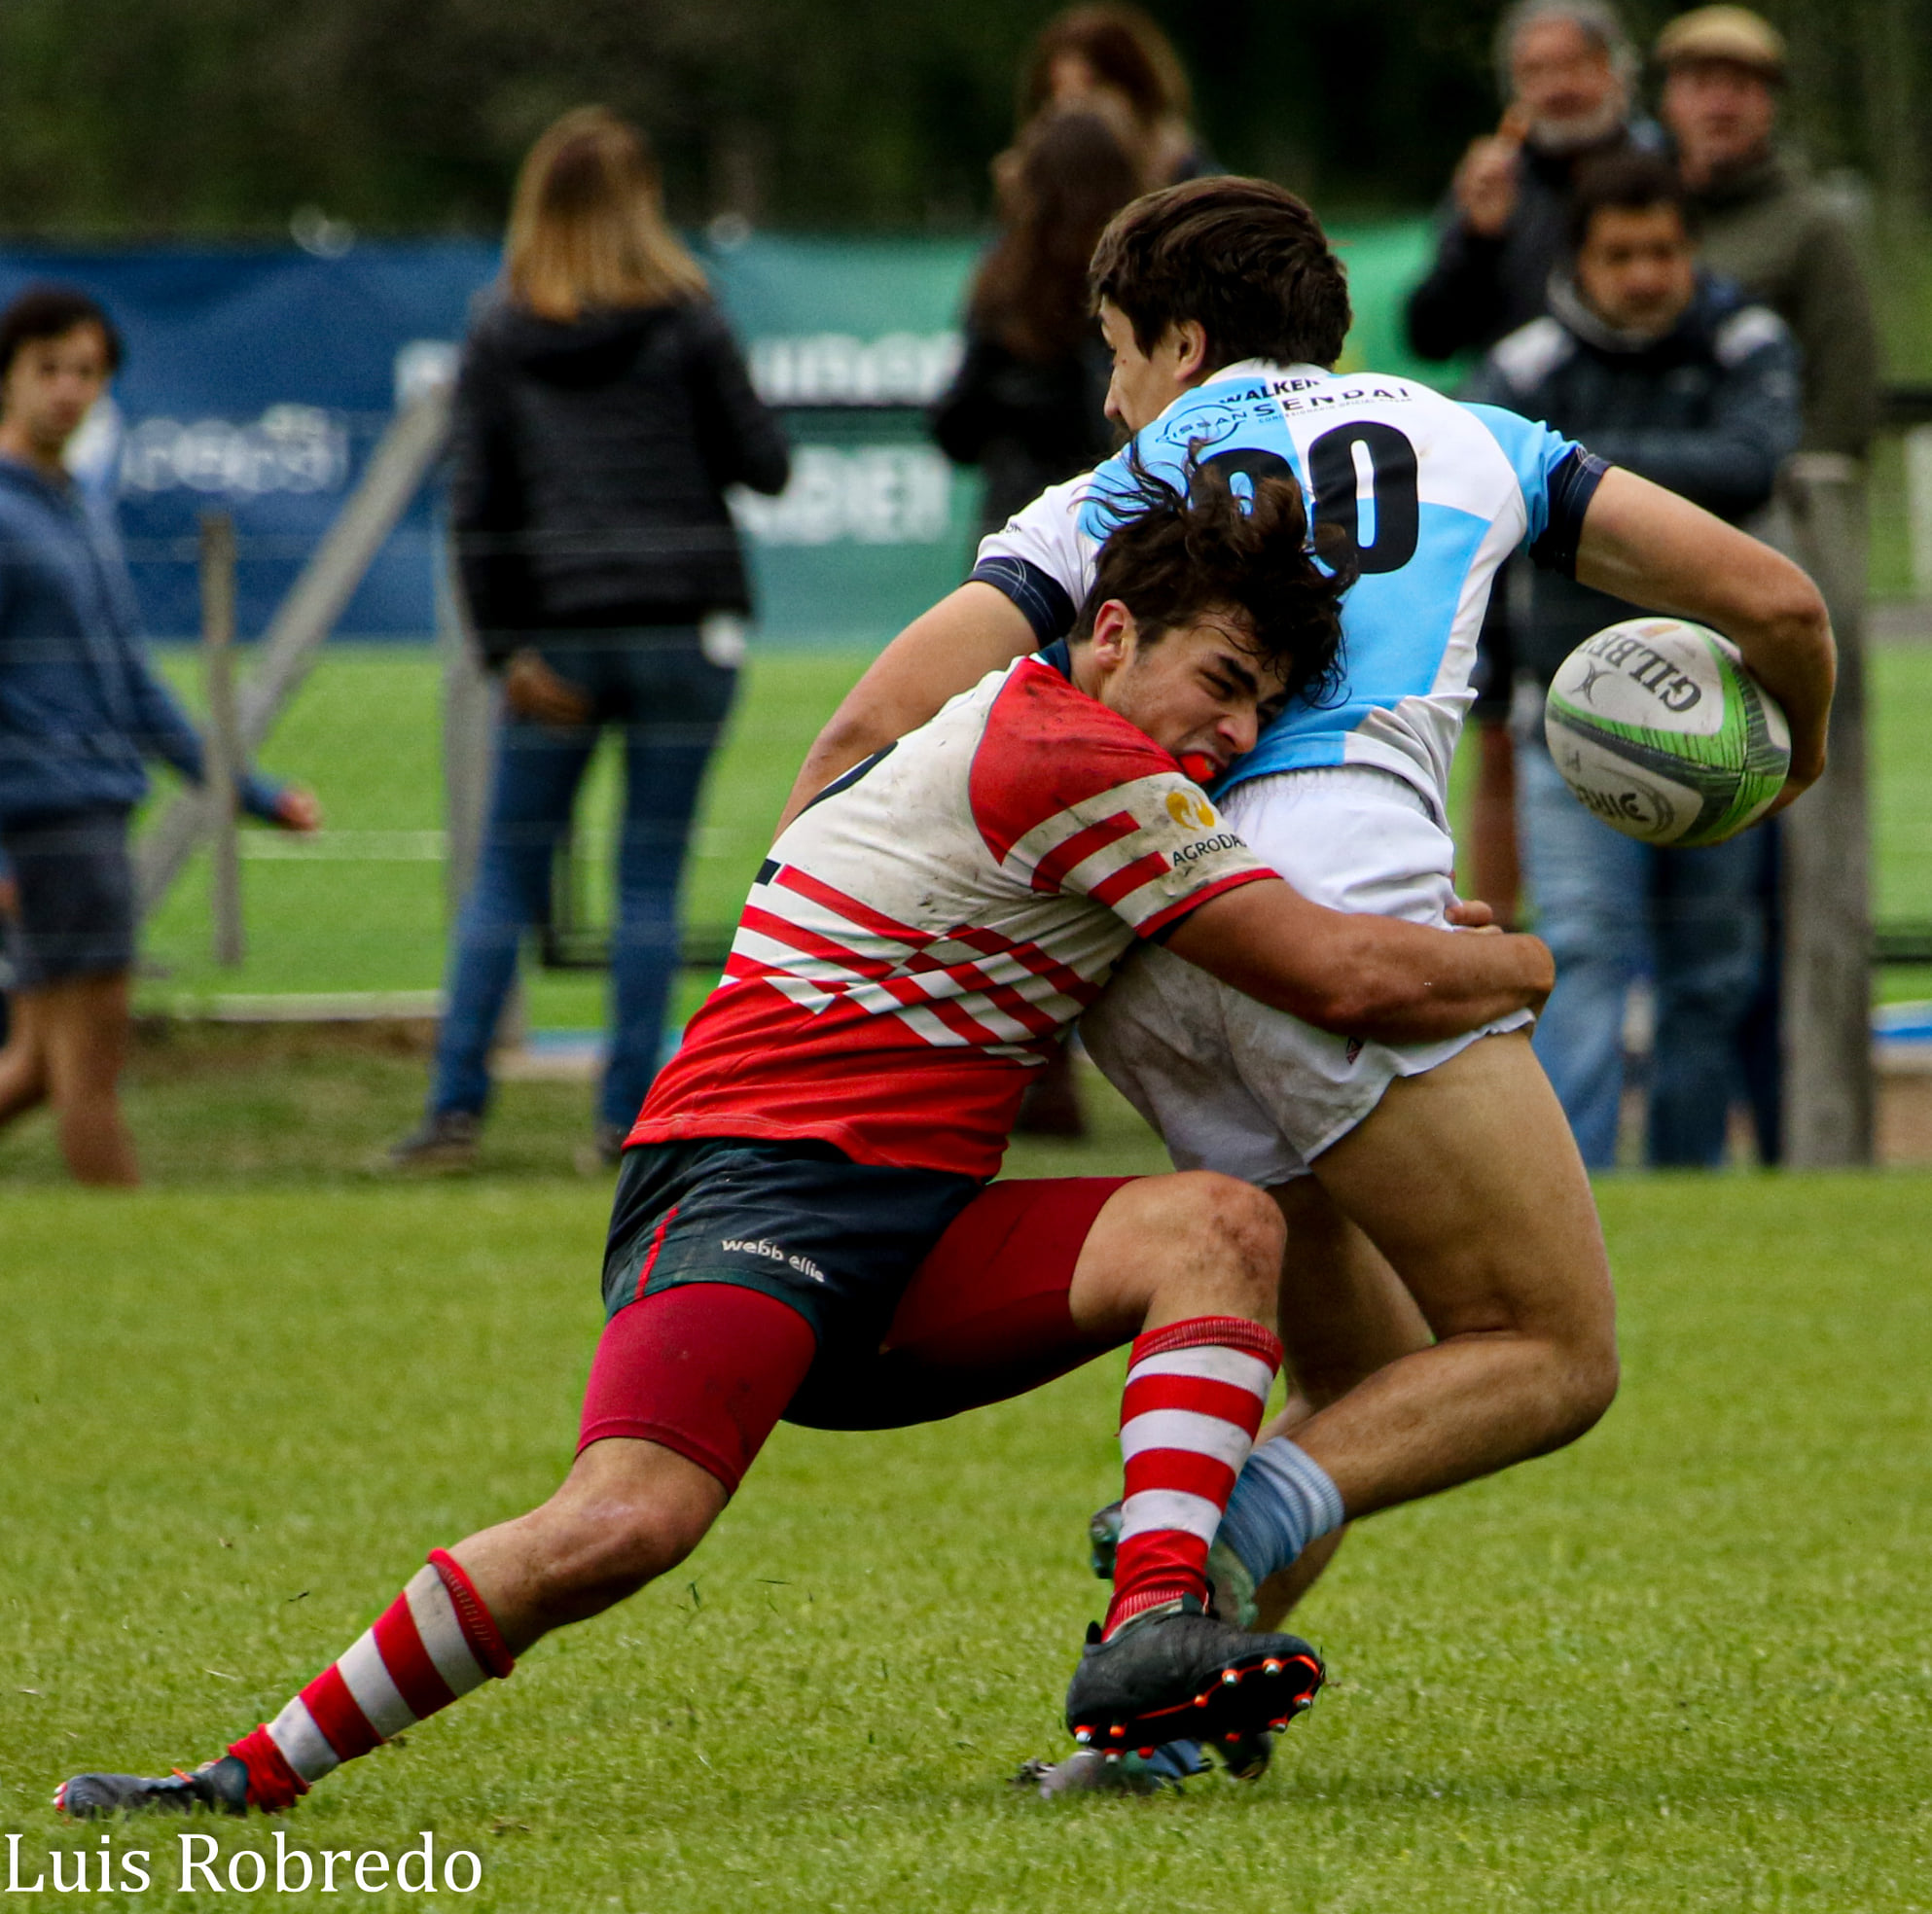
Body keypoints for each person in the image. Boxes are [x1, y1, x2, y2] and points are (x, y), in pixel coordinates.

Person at [57, 465, 1559, 1818]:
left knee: (1220, 1227)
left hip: (909, 1233)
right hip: (743, 1189)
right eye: (1222, 682)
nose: (1232, 734)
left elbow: (1305, 947)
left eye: (1258, 711)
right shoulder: (1062, 755)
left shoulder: (1081, 761)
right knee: (626, 1524)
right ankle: (241, 1776)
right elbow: (1338, 975)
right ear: (1110, 633)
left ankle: (1150, 1634)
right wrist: (1519, 966)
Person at [784, 175, 1834, 1790]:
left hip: (1152, 936)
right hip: (1337, 887)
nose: (1111, 388)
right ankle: (1205, 1527)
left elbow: (859, 742)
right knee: (1550, 1351)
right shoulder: (1484, 436)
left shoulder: (1115, 484)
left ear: (1184, 339)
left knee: (1358, 1385)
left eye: (1116, 349)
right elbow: (1777, 603)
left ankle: (1153, 1735)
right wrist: (1795, 751)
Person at [387, 106, 790, 1173]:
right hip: (683, 628)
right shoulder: (690, 318)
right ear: (642, 205)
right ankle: (625, 1123)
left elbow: (475, 505)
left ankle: (452, 1113)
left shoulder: (498, 328)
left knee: (505, 880)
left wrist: (504, 650)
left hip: (557, 640)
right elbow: (767, 463)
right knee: (648, 882)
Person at [1462, 151, 1802, 1169]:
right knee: (1580, 961)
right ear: (1580, 260)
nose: (1646, 274)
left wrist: (1568, 473)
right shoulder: (1522, 366)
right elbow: (1486, 481)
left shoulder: (1748, 339)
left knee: (1711, 975)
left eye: (1664, 251)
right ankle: (1580, 1198)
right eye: (1621, 255)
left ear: (1691, 251)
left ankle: (1687, 1191)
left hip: (1733, 716)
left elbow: (1754, 462)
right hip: (1566, 723)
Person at [0, 286, 318, 1187]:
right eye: (48, 369)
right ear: (8, 378)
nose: (68, 390)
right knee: (87, 1077)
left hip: (92, 807)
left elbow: (136, 687)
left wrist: (251, 790)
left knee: (33, 1066)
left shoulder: (77, 508)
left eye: (87, 372)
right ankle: (131, 1232)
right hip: (51, 822)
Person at [932, 106, 1143, 1137]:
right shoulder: (1135, 304)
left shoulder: (1000, 289)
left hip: (1017, 577)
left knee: (1013, 817)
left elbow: (952, 425)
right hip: (1121, 575)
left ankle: (1027, 1057)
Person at [1405, 0, 1655, 365]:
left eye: (1573, 64)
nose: (1557, 87)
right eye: (1534, 72)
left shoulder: (1664, 166)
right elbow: (1430, 340)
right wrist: (1479, 239)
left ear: (1616, 71)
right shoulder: (1495, 182)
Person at [1011, 4, 1212, 193]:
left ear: (1135, 91)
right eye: (1056, 89)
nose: (1069, 107)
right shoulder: (1030, 199)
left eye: (1091, 85)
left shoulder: (1201, 192)